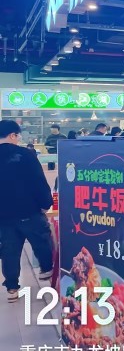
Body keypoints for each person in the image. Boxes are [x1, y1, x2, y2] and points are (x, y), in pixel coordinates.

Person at [0, 120, 55, 301]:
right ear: (13, 135)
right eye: (18, 136)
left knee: (9, 250)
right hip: (29, 210)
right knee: (42, 241)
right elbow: (38, 181)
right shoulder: (25, 154)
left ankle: (12, 289)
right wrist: (45, 203)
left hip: (4, 216)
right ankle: (46, 271)